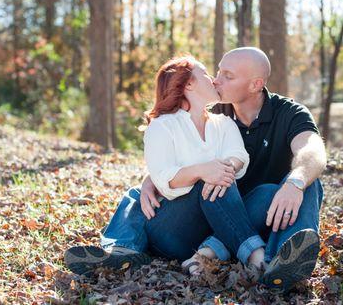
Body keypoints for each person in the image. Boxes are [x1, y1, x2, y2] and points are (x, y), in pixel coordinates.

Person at [65, 47, 327, 291]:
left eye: (227, 75)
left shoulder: (286, 112)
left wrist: (294, 183)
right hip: (214, 208)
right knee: (140, 193)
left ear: (256, 84)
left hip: (261, 210)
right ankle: (122, 251)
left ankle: (284, 264)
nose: (216, 80)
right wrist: (154, 178)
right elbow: (178, 160)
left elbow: (313, 151)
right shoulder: (217, 109)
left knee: (306, 183)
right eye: (216, 72)